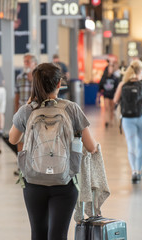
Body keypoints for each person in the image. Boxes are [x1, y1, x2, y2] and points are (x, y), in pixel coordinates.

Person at [9, 63, 97, 240]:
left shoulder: (27, 110)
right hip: (65, 182)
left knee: (38, 233)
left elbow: (13, 139)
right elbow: (91, 146)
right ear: (59, 84)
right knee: (58, 234)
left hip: (33, 181)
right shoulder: (71, 108)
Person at [114, 60, 142, 183]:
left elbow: (115, 101)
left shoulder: (122, 84)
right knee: (140, 145)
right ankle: (139, 171)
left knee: (131, 145)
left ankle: (133, 171)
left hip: (128, 120)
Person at [98, 63, 119, 128]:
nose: (110, 70)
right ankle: (106, 121)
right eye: (109, 68)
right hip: (106, 94)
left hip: (112, 95)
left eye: (111, 68)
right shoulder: (104, 78)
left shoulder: (115, 77)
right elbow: (100, 87)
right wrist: (98, 96)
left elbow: (117, 87)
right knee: (106, 108)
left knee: (112, 108)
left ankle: (111, 119)